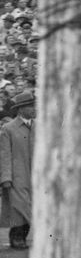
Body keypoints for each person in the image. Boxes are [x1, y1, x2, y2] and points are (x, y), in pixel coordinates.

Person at [0, 91, 34, 250]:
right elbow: (5, 154)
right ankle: (16, 237)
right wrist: (5, 177)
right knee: (20, 206)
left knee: (33, 205)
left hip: (36, 174)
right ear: (21, 109)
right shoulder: (8, 128)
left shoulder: (39, 126)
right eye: (30, 106)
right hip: (17, 174)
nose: (34, 108)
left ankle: (23, 235)